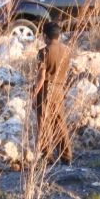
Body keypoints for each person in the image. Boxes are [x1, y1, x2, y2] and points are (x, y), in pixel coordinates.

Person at [31, 21, 73, 165]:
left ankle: (47, 156)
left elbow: (41, 76)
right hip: (60, 89)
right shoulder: (66, 50)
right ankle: (66, 156)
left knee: (43, 123)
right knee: (59, 123)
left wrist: (34, 93)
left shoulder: (43, 52)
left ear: (45, 36)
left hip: (47, 89)